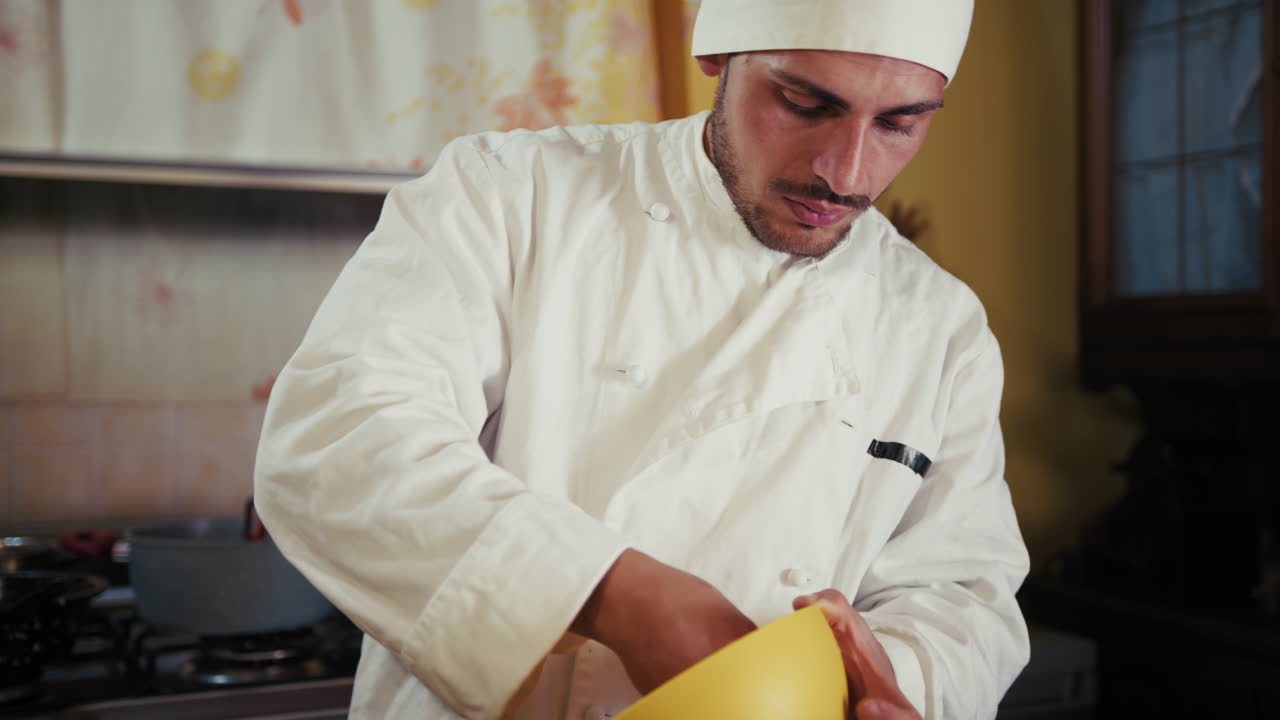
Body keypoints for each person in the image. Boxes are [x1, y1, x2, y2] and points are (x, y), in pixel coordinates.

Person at [253, 0, 1030, 718]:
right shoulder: (511, 196)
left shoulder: (940, 325)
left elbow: (964, 592)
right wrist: (609, 591)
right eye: (804, 104)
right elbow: (342, 438)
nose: (846, 172)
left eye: (900, 123)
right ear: (718, 57)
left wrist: (892, 680)